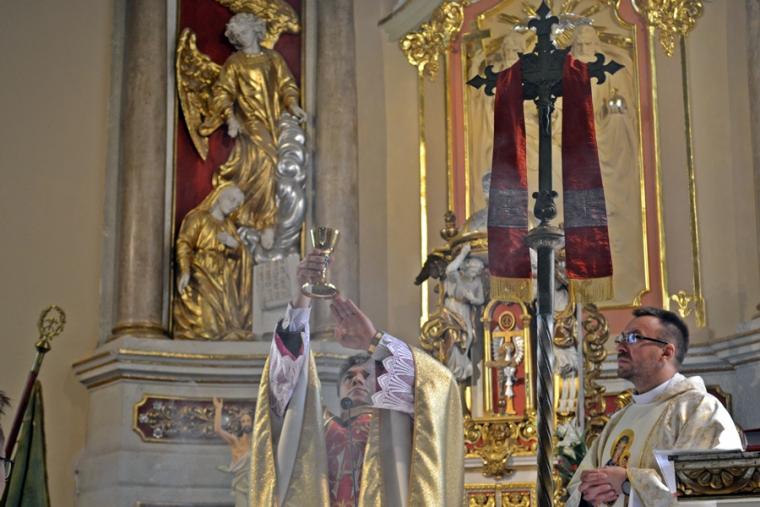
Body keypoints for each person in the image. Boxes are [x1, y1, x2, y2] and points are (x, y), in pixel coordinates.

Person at [249, 250, 464, 506]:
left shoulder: (398, 424)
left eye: (366, 375)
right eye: (349, 377)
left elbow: (439, 387)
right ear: (339, 392)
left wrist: (374, 343)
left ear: (384, 383)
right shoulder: (321, 429)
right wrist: (301, 299)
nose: (358, 380)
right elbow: (284, 387)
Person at [566, 307, 742, 507]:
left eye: (634, 338)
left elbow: (707, 491)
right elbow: (579, 486)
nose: (621, 346)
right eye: (621, 339)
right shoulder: (619, 420)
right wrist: (589, 495)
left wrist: (628, 483)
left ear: (666, 352)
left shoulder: (700, 412)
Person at [198, 12, 306, 231]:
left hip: (273, 121)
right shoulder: (235, 63)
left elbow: (286, 84)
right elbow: (222, 92)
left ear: (255, 30)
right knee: (267, 163)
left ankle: (251, 216)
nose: (242, 37)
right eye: (238, 35)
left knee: (263, 168)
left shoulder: (273, 58)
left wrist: (293, 104)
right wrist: (230, 118)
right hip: (249, 124)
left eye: (245, 32)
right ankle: (265, 221)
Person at [173, 184, 253, 340]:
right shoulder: (198, 217)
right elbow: (184, 243)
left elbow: (240, 255)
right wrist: (185, 270)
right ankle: (208, 332)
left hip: (224, 276)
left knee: (229, 316)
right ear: (219, 196)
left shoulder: (228, 226)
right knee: (207, 310)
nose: (233, 206)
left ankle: (226, 333)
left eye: (237, 204)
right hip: (201, 271)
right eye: (231, 199)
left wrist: (234, 245)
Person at [213, 397, 252, 507]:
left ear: (253, 423)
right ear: (240, 424)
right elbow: (218, 430)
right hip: (240, 485)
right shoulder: (235, 441)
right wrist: (218, 408)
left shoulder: (257, 443)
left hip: (254, 484)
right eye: (243, 421)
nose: (246, 423)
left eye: (248, 420)